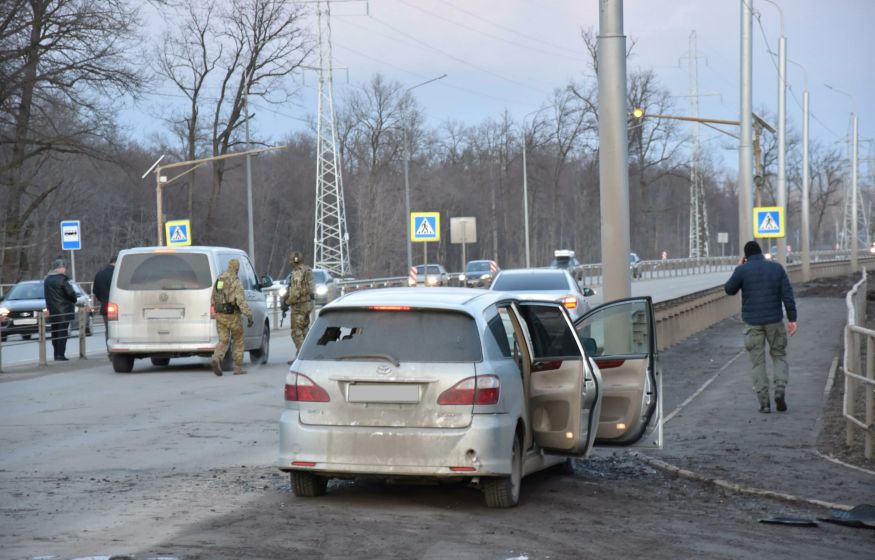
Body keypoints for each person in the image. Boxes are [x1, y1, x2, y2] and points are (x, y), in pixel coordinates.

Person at [724, 240, 798, 413]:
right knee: (779, 354)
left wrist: (739, 267)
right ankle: (779, 388)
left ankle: (764, 402)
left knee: (758, 362)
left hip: (752, 323)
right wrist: (792, 319)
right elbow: (787, 295)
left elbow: (729, 289)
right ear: (761, 252)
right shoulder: (776, 268)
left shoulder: (742, 270)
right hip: (774, 320)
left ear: (746, 257)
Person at [210, 259, 253, 376]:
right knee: (238, 340)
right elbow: (241, 302)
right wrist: (249, 315)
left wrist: (214, 311)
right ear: (237, 268)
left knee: (223, 340)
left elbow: (213, 297)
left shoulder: (220, 279)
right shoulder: (236, 281)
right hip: (233, 316)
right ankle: (238, 368)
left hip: (220, 315)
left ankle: (216, 358)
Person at [44, 258, 79, 361]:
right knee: (62, 332)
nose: (65, 269)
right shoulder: (63, 279)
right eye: (63, 267)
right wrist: (74, 299)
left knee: (55, 332)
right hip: (64, 310)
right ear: (60, 268)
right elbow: (70, 293)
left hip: (53, 310)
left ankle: (56, 353)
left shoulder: (47, 280)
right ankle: (60, 354)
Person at [282, 251, 314, 364]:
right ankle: (308, 354)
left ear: (294, 261)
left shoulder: (297, 273)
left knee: (296, 331)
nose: (289, 262)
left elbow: (295, 292)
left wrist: (287, 302)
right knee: (305, 329)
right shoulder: (307, 270)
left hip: (299, 307)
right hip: (307, 305)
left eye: (291, 260)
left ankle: (301, 356)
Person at [92, 255, 116, 343]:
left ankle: (109, 349)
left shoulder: (100, 274)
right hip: (120, 307)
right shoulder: (119, 273)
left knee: (108, 329)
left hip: (105, 306)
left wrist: (103, 300)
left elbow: (95, 291)